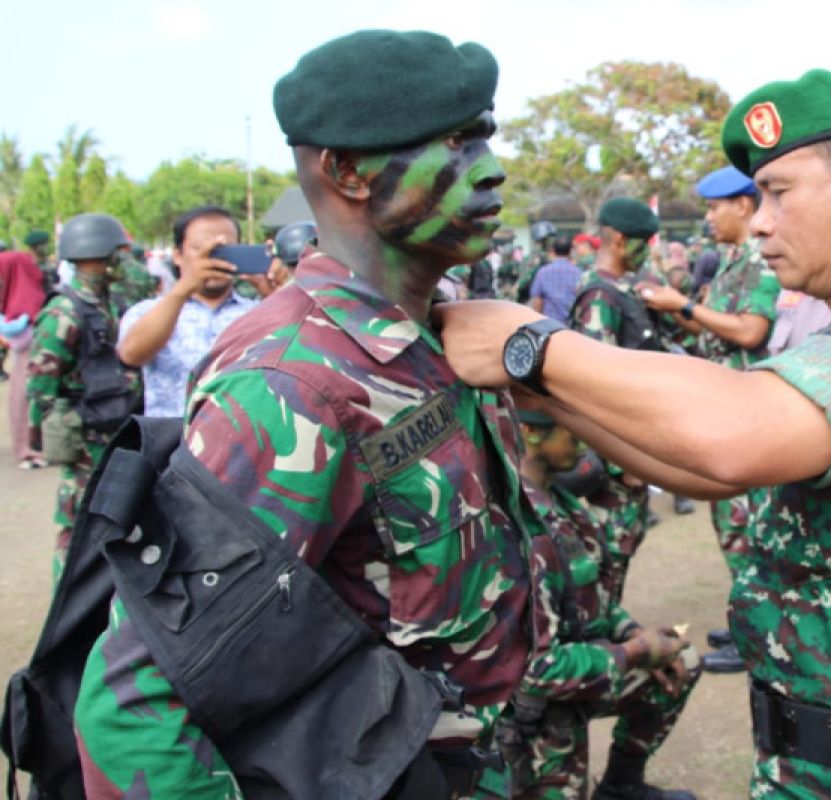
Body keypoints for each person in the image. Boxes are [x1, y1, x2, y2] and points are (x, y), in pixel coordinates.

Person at [437, 63, 831, 798]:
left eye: (778, 192)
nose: (758, 220)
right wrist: (534, 380)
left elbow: (734, 434)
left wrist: (532, 344)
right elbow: (696, 470)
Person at [73, 29, 535, 798]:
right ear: (348, 171)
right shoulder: (294, 379)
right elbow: (132, 706)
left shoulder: (439, 335)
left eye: (485, 137)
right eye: (454, 144)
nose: (490, 169)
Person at [500, 406, 700, 800]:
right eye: (572, 432)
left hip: (582, 672)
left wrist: (634, 634)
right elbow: (536, 671)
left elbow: (596, 601)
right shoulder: (516, 524)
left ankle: (620, 787)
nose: (586, 444)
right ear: (531, 432)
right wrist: (634, 653)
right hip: (534, 711)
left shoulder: (563, 504)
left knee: (681, 663)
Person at [639, 165, 781, 674]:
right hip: (724, 409)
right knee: (732, 526)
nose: (709, 217)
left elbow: (748, 331)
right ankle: (748, 623)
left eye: (716, 206)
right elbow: (710, 329)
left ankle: (757, 639)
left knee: (747, 530)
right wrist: (671, 308)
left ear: (744, 205)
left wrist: (686, 307)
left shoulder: (760, 263)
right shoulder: (728, 263)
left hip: (747, 415)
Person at [26, 213, 142, 579]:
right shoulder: (64, 312)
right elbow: (41, 383)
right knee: (77, 527)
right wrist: (44, 432)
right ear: (100, 257)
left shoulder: (112, 303)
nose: (126, 261)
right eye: (119, 254)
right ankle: (67, 607)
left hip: (117, 429)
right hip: (85, 436)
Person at [568, 197, 665, 606]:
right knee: (609, 554)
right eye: (646, 242)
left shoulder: (626, 290)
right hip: (616, 460)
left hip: (636, 443)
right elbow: (596, 387)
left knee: (625, 544)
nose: (651, 251)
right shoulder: (601, 296)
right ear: (622, 241)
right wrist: (624, 461)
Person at [116, 206, 259, 417]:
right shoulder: (148, 311)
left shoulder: (259, 312)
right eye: (200, 249)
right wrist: (183, 289)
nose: (213, 259)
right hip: (172, 442)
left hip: (242, 440)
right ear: (177, 255)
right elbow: (131, 355)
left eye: (225, 250)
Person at [0, 248, 47, 468]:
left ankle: (28, 447)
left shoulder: (16, 291)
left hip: (25, 353)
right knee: (25, 395)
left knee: (21, 395)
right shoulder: (31, 292)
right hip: (33, 353)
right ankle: (29, 449)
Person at [529, 234, 582, 322]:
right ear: (570, 252)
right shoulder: (579, 273)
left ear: (553, 251)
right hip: (572, 328)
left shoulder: (543, 272)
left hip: (549, 326)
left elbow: (538, 301)